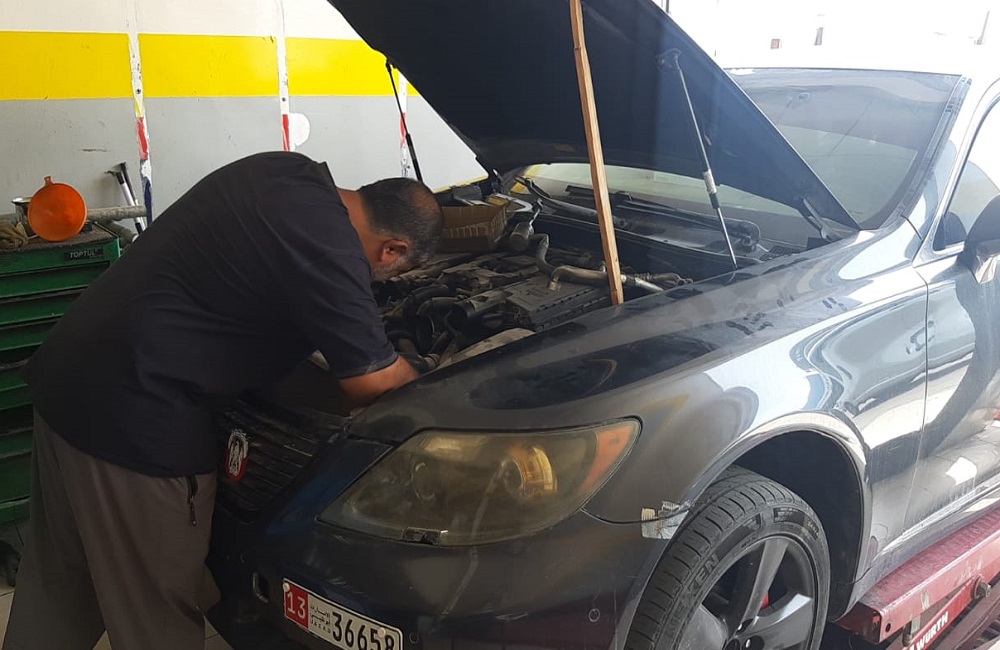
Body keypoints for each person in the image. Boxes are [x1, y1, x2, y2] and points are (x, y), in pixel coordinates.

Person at [2, 151, 443, 650]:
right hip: (135, 421)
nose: (379, 282)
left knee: (60, 585)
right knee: (157, 607)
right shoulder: (331, 246)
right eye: (390, 272)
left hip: (68, 386)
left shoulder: (283, 171)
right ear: (392, 249)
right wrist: (430, 369)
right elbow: (375, 384)